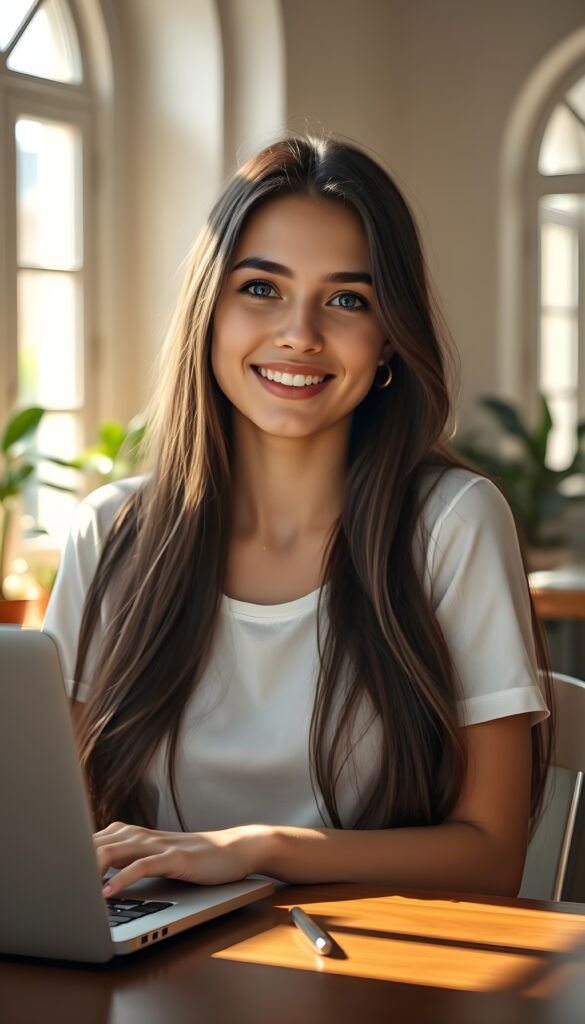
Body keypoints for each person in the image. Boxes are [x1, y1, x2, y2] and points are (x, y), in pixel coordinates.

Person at [43, 133, 552, 900]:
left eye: (347, 300)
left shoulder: (452, 524)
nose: (299, 335)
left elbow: (490, 857)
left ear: (388, 339)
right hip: (157, 958)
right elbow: (59, 833)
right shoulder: (113, 533)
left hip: (377, 961)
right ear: (208, 312)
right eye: (261, 288)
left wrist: (255, 849)